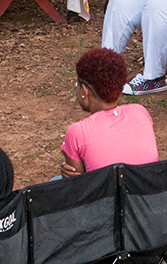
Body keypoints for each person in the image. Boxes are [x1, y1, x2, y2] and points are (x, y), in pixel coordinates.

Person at [61, 48, 160, 177]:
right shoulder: (140, 112)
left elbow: (76, 186)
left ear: (85, 91)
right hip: (147, 193)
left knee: (55, 180)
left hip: (107, 196)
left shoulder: (77, 132)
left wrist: (64, 173)